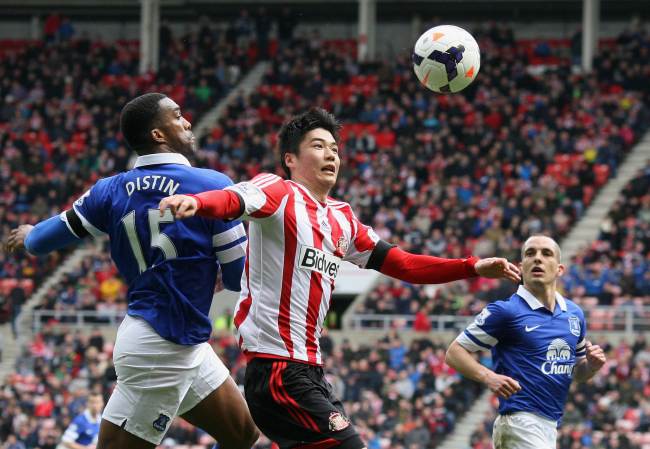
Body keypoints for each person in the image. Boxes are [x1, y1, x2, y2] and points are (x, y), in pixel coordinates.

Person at [159, 107, 521, 449]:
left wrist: (470, 266)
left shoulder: (342, 219)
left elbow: (404, 265)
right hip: (277, 371)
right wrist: (199, 203)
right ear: (291, 159)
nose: (331, 155)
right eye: (318, 146)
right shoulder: (279, 191)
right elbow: (233, 200)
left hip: (311, 371)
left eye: (335, 148)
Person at [7, 93, 259, 449]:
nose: (187, 122)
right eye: (178, 115)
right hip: (161, 344)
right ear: (158, 133)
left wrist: (29, 235)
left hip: (182, 342)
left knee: (242, 434)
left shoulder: (108, 190)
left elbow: (46, 238)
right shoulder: (212, 185)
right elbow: (237, 276)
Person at [445, 235, 607, 449]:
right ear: (521, 267)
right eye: (530, 253)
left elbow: (577, 373)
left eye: (546, 253)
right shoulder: (506, 311)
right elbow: (454, 353)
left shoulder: (574, 314)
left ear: (559, 269)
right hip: (519, 423)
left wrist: (592, 366)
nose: (537, 259)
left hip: (550, 425)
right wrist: (488, 377)